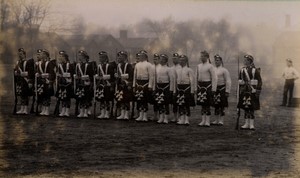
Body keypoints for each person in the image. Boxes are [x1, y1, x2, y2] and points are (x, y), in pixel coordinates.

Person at [238, 54, 262, 130]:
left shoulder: (255, 70)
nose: (244, 61)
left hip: (252, 91)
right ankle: (246, 123)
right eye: (244, 60)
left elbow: (260, 81)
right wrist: (240, 83)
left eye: (246, 60)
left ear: (249, 61)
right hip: (245, 90)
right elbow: (240, 79)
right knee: (245, 106)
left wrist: (258, 90)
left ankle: (251, 124)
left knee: (251, 107)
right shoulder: (242, 70)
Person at [196, 51, 217, 127]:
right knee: (202, 104)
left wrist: (213, 89)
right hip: (200, 86)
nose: (201, 57)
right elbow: (196, 77)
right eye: (201, 56)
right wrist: (196, 87)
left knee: (207, 104)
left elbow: (214, 78)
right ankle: (203, 120)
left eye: (203, 56)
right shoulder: (198, 66)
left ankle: (207, 121)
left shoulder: (210, 66)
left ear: (207, 57)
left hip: (207, 85)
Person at [133, 50, 154, 122]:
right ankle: (140, 115)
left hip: (145, 83)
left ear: (145, 56)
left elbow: (151, 76)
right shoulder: (137, 65)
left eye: (142, 56)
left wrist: (150, 85)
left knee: (144, 99)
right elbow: (134, 76)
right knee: (139, 99)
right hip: (138, 83)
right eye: (139, 56)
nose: (140, 57)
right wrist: (134, 85)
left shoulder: (149, 65)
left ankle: (144, 115)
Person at [74, 50, 96, 118]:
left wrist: (88, 78)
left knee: (86, 98)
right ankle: (81, 111)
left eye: (81, 56)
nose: (79, 57)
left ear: (84, 57)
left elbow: (91, 75)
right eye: (79, 56)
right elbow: (77, 73)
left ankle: (86, 112)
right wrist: (76, 76)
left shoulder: (88, 65)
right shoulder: (78, 65)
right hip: (80, 83)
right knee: (80, 98)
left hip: (86, 84)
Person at [94, 51, 116, 119]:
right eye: (100, 57)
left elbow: (112, 76)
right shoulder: (99, 66)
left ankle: (107, 113)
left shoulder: (109, 66)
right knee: (101, 99)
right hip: (100, 84)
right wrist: (97, 76)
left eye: (102, 57)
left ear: (105, 58)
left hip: (107, 84)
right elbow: (97, 74)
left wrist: (104, 77)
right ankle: (102, 112)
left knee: (107, 99)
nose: (100, 59)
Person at [174, 55, 195, 125]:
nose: (181, 61)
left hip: (186, 88)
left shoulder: (189, 70)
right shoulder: (177, 70)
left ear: (186, 61)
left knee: (186, 103)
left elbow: (192, 81)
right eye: (180, 60)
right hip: (179, 88)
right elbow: (175, 81)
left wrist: (192, 91)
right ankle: (181, 119)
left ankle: (186, 119)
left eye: (183, 60)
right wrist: (174, 90)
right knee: (180, 103)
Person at [14, 48, 35, 114]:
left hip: (25, 81)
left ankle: (25, 109)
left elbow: (31, 72)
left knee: (25, 95)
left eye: (21, 54)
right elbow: (16, 71)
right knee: (21, 95)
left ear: (24, 55)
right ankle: (22, 108)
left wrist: (26, 76)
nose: (20, 55)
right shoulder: (18, 62)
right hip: (20, 81)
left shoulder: (27, 62)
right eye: (19, 54)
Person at [211, 54, 231, 125]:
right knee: (216, 105)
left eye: (218, 60)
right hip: (215, 89)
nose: (216, 62)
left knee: (222, 105)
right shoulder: (213, 69)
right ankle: (216, 120)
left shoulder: (224, 70)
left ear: (221, 61)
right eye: (215, 60)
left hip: (222, 89)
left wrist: (227, 91)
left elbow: (228, 81)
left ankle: (221, 120)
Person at [154, 54, 175, 124]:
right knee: (160, 102)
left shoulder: (169, 69)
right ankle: (161, 117)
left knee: (166, 103)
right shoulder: (158, 68)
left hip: (166, 87)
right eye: (160, 59)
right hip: (159, 86)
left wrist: (171, 89)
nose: (160, 60)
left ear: (165, 60)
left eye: (162, 59)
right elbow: (156, 78)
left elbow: (171, 79)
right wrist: (155, 87)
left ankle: (166, 118)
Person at [35, 49, 56, 116]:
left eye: (42, 54)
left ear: (45, 55)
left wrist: (49, 80)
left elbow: (52, 73)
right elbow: (38, 71)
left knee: (47, 96)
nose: (40, 55)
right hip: (41, 82)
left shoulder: (49, 63)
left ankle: (47, 110)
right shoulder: (39, 63)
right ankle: (43, 109)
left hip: (47, 82)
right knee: (42, 96)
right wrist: (38, 74)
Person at [55, 51, 75, 117]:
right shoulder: (59, 65)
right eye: (59, 56)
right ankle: (63, 110)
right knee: (62, 97)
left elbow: (72, 74)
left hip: (68, 83)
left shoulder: (69, 65)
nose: (60, 58)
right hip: (61, 84)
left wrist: (65, 75)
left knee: (67, 98)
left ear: (65, 57)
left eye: (61, 56)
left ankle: (67, 111)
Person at [115, 51, 134, 120]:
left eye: (121, 56)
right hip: (120, 85)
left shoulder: (128, 65)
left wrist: (129, 84)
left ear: (125, 57)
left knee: (126, 99)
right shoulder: (118, 66)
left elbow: (130, 75)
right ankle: (122, 114)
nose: (119, 57)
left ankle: (126, 114)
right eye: (119, 56)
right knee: (121, 99)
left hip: (126, 85)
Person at [170, 53, 181, 122]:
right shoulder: (171, 68)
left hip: (179, 87)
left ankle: (180, 117)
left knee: (179, 102)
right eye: (173, 58)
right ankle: (175, 117)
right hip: (172, 87)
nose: (174, 59)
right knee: (174, 103)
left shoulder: (180, 67)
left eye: (176, 58)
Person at [151, 53, 160, 121]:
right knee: (154, 102)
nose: (155, 60)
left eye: (156, 59)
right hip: (153, 86)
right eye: (154, 59)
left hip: (160, 86)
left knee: (160, 101)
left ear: (159, 60)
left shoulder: (160, 67)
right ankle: (155, 115)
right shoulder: (152, 67)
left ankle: (160, 115)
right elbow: (151, 77)